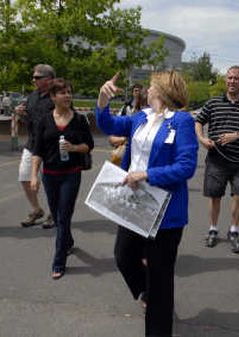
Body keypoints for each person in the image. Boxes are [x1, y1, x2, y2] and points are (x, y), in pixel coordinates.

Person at [96, 71, 198, 337]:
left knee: (161, 278)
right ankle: (146, 292)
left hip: (166, 212)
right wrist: (102, 102)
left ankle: (158, 324)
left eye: (152, 86)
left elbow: (186, 167)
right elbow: (109, 126)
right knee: (123, 255)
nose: (147, 90)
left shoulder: (183, 121)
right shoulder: (140, 117)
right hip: (134, 204)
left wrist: (148, 174)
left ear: (163, 91)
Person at [30, 78, 94, 280]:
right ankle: (67, 241)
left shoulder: (79, 120)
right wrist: (34, 175)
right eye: (62, 92)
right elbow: (37, 150)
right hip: (49, 175)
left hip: (71, 174)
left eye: (69, 92)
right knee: (58, 216)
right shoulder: (45, 121)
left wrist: (74, 148)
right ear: (53, 97)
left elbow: (89, 145)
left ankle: (58, 262)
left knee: (64, 215)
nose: (67, 96)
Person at [195, 65, 239, 253]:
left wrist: (237, 135)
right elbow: (199, 121)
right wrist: (201, 139)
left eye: (236, 78)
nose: (232, 81)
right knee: (215, 197)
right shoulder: (213, 103)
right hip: (216, 160)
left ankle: (233, 230)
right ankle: (213, 230)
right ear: (225, 80)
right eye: (229, 78)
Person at [15, 64, 55, 228]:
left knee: (50, 182)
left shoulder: (57, 96)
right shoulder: (32, 97)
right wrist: (22, 115)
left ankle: (54, 212)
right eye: (34, 77)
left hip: (51, 146)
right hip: (32, 144)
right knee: (24, 177)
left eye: (37, 77)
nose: (34, 80)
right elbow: (29, 120)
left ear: (49, 79)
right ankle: (36, 209)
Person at [110, 83, 147, 166]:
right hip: (125, 146)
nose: (137, 93)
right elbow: (115, 125)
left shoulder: (149, 110)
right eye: (135, 91)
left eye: (139, 91)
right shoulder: (126, 107)